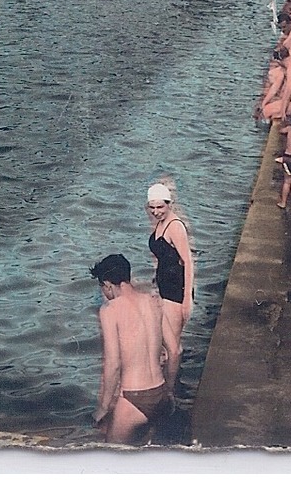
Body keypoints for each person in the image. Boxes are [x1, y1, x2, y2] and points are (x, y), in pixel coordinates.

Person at [90, 253, 170, 444]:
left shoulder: (110, 310)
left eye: (102, 288)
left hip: (135, 398)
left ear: (107, 285)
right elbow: (171, 351)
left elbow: (113, 364)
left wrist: (103, 408)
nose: (104, 294)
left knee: (111, 455)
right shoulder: (153, 301)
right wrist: (170, 390)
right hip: (160, 392)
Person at [145, 183, 194, 393]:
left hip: (176, 292)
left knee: (172, 348)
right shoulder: (159, 223)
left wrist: (187, 299)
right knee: (169, 346)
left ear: (169, 204)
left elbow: (188, 262)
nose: (156, 212)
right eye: (152, 208)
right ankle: (172, 384)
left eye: (160, 207)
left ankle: (170, 393)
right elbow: (163, 259)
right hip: (165, 289)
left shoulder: (175, 226)